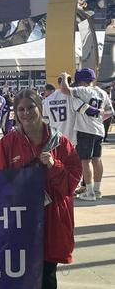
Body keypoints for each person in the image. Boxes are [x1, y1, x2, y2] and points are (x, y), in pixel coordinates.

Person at [0, 89, 82, 289]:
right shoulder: (7, 144)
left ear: (40, 108)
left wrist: (55, 166)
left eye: (30, 107)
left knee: (47, 270)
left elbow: (72, 183)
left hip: (52, 216)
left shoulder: (60, 143)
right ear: (15, 114)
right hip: (21, 218)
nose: (26, 113)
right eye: (21, 109)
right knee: (16, 268)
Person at [59, 69, 114, 201]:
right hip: (99, 130)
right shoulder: (102, 92)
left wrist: (64, 77)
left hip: (85, 130)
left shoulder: (83, 91)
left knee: (85, 161)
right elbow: (110, 112)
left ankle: (89, 192)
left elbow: (65, 90)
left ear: (81, 81)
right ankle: (97, 189)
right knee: (97, 159)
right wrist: (98, 118)